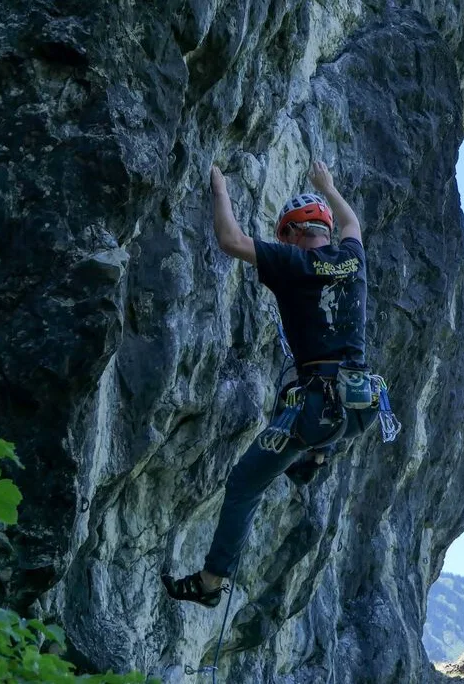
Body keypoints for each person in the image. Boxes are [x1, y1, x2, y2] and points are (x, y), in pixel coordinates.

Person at [161, 161, 393, 607]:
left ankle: (210, 583)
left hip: (316, 407)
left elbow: (231, 241)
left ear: (289, 233)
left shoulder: (294, 262)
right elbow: (352, 223)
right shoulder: (352, 258)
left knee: (246, 481)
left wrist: (219, 189)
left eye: (283, 234)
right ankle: (316, 456)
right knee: (302, 418)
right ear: (324, 228)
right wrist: (329, 185)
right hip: (360, 403)